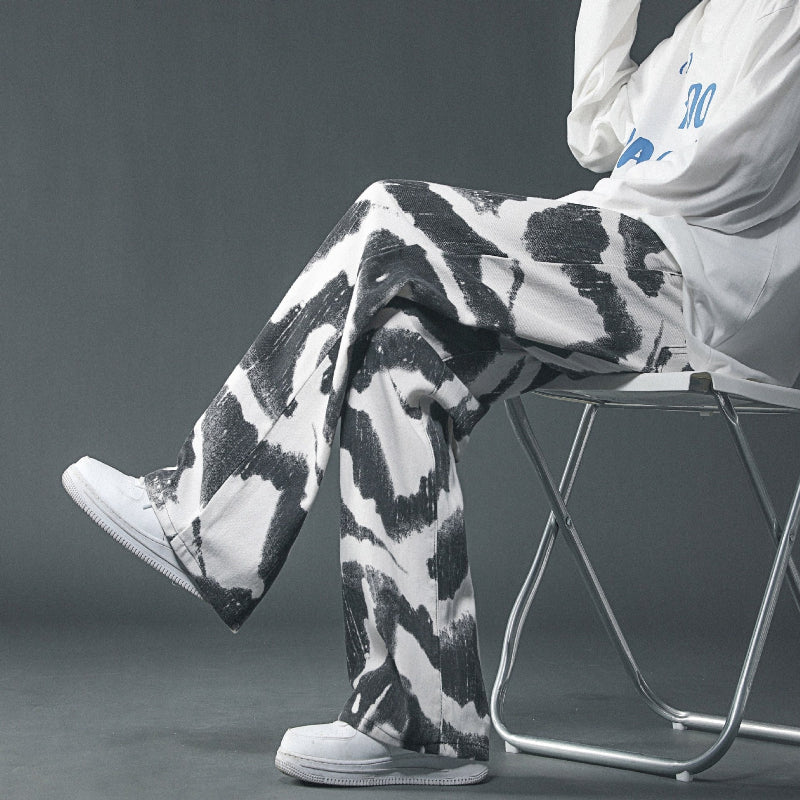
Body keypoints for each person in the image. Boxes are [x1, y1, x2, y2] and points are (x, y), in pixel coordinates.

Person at [61, 0, 800, 788]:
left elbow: (732, 169)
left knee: (392, 217)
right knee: (395, 348)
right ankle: (420, 725)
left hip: (689, 288)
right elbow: (595, 132)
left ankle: (203, 516)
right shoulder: (707, 22)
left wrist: (595, 207)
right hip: (608, 268)